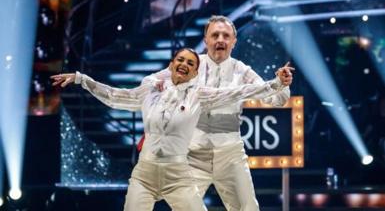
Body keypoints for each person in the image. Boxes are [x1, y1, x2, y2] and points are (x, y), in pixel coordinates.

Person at [51, 48, 290, 211]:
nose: (184, 65)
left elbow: (240, 92)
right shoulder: (150, 90)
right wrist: (82, 79)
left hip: (178, 176)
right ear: (171, 64)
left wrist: (276, 84)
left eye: (191, 63)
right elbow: (115, 97)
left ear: (196, 72)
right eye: (180, 60)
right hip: (144, 174)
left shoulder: (200, 95)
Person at [143, 16, 294, 211]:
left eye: (225, 35)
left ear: (233, 42)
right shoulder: (190, 65)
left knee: (248, 208)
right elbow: (152, 81)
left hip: (230, 155)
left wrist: (281, 83)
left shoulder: (242, 71)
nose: (220, 39)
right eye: (215, 35)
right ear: (206, 40)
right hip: (192, 155)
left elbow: (275, 99)